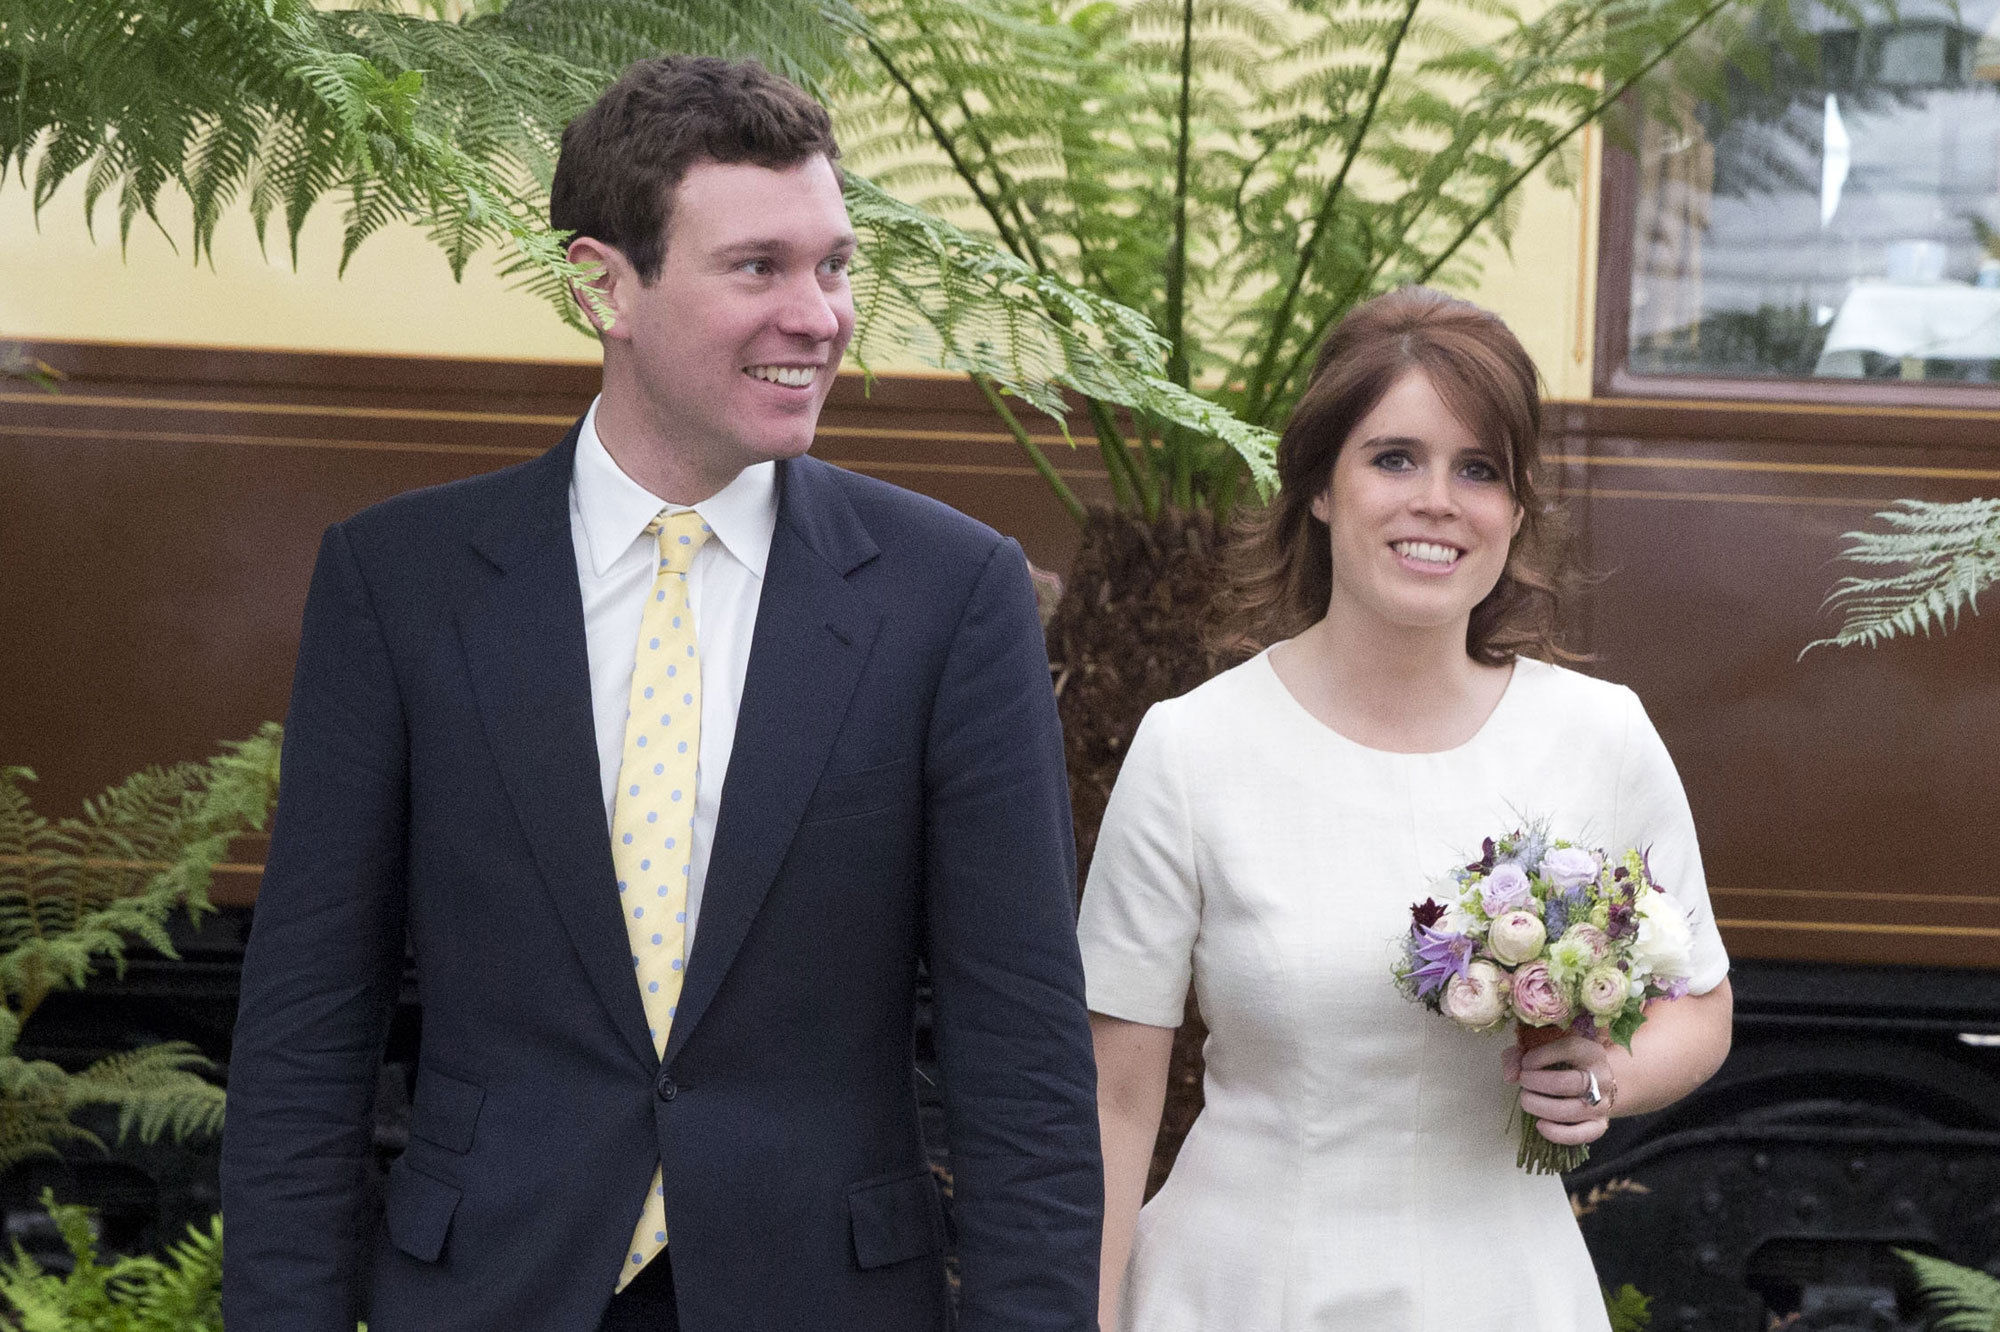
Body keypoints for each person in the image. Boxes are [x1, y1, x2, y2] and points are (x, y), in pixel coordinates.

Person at [220, 56, 1101, 1332]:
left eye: (835, 265)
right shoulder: (400, 582)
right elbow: (308, 1028)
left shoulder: (950, 594)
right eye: (758, 268)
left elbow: (1018, 1058)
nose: (818, 316)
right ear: (601, 286)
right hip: (489, 1291)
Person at [1079, 287, 1733, 1331]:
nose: (1436, 500)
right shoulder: (1192, 749)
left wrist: (1606, 1075)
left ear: (1515, 510)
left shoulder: (1599, 738)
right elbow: (1115, 1098)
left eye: (1477, 469)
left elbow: (1698, 1002)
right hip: (1240, 1289)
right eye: (1393, 458)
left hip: (1505, 1292)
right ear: (1322, 487)